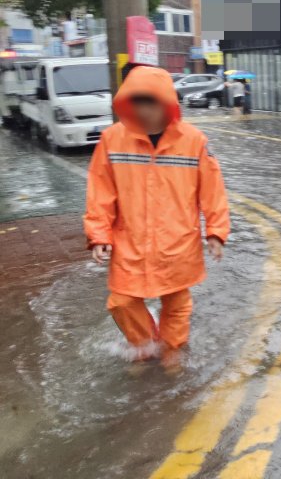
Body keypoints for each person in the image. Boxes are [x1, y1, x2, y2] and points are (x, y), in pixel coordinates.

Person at [84, 66, 230, 361]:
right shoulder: (113, 139)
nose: (144, 110)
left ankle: (171, 352)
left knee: (176, 303)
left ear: (166, 102)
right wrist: (99, 234)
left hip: (177, 243)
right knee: (122, 301)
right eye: (138, 102)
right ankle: (145, 345)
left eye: (151, 102)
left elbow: (211, 190)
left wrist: (216, 231)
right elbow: (101, 191)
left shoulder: (194, 141)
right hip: (130, 242)